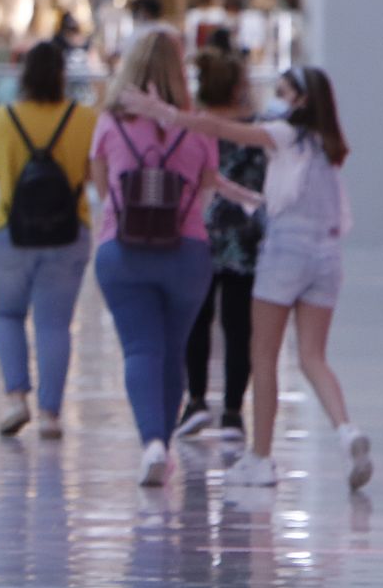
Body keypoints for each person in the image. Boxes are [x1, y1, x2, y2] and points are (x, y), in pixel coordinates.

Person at [122, 65, 370, 491]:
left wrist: (162, 112)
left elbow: (219, 127)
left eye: (283, 92)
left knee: (264, 355)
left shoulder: (286, 136)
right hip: (327, 258)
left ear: (302, 101)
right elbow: (288, 199)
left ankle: (260, 458)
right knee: (313, 357)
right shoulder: (329, 149)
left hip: (285, 256)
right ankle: (346, 431)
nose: (275, 102)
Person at [89, 27, 219, 486]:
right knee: (173, 350)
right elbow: (206, 193)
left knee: (141, 348)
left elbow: (104, 191)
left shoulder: (111, 124)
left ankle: (153, 444)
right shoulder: (198, 127)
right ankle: (161, 443)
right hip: (187, 252)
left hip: (122, 251)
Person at [0, 41, 99, 440]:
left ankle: (16, 399)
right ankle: (51, 413)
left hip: (11, 231)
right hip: (69, 232)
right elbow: (97, 174)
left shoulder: (4, 118)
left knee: (6, 315)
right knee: (55, 324)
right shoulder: (84, 119)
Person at [176, 49, 266, 442]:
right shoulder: (254, 132)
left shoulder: (192, 128)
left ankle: (195, 399)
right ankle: (232, 410)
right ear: (238, 87)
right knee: (237, 326)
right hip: (245, 238)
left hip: (197, 232)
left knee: (196, 320)